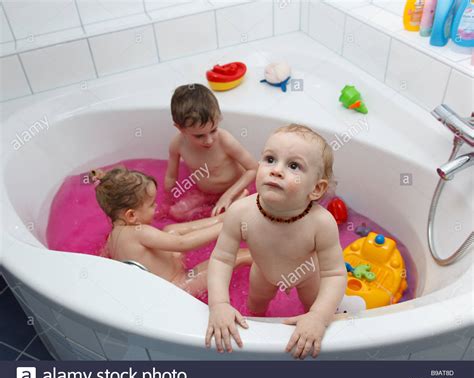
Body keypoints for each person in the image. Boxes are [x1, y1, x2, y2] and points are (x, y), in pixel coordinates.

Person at [205, 124, 347, 359]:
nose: (276, 170)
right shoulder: (241, 212)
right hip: (262, 273)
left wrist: (318, 317)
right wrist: (219, 304)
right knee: (256, 307)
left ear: (316, 188)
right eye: (270, 159)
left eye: (294, 166)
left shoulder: (321, 223)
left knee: (313, 309)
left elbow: (334, 274)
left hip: (308, 276)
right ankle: (258, 343)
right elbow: (221, 258)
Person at [91, 167, 252, 296]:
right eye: (151, 204)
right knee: (237, 255)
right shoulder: (141, 232)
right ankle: (228, 222)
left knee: (170, 230)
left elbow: (104, 261)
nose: (155, 207)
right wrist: (228, 227)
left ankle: (222, 217)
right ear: (131, 215)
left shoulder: (113, 237)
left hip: (169, 269)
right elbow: (183, 244)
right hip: (178, 286)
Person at [165, 83, 258, 217]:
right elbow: (171, 176)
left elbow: (253, 168)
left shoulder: (224, 140)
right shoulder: (177, 145)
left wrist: (228, 195)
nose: (209, 140)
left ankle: (217, 215)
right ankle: (211, 214)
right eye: (199, 135)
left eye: (213, 130)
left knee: (236, 213)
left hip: (236, 189)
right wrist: (168, 200)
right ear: (180, 128)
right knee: (175, 213)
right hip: (205, 193)